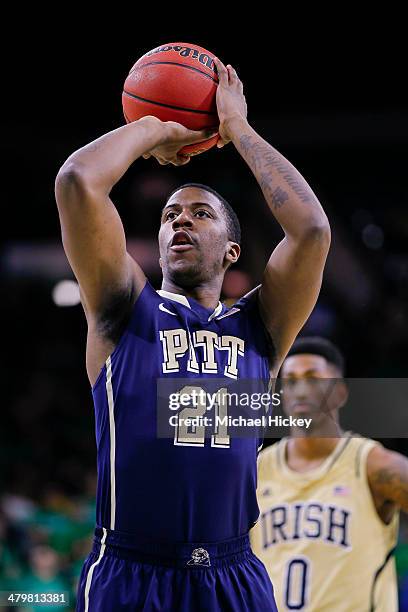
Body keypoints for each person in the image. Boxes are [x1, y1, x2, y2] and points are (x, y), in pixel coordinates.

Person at [55, 54, 330, 611]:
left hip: (232, 575)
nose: (179, 219)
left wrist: (239, 129)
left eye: (200, 213)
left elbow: (312, 230)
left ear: (232, 250)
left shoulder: (262, 325)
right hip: (130, 572)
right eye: (168, 216)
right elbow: (79, 182)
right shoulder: (123, 308)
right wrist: (154, 127)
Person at [250, 336, 408, 611]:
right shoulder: (255, 470)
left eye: (313, 379)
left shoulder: (373, 465)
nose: (300, 390)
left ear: (340, 392)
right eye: (290, 381)